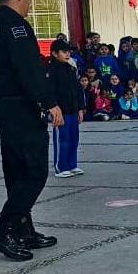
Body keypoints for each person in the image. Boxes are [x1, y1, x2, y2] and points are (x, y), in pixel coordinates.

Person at [0, 0, 63, 261]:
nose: (28, 2)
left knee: (16, 171)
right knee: (34, 171)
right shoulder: (16, 26)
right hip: (21, 106)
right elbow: (28, 68)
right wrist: (50, 102)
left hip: (3, 105)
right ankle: (4, 232)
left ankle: (23, 229)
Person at [47, 40, 84, 178]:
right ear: (55, 53)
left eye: (68, 51)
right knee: (62, 139)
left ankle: (72, 164)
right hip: (61, 111)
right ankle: (60, 167)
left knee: (74, 138)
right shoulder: (51, 70)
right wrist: (54, 108)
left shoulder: (71, 68)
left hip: (73, 110)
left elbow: (77, 89)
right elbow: (50, 91)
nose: (67, 54)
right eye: (64, 51)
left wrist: (80, 108)